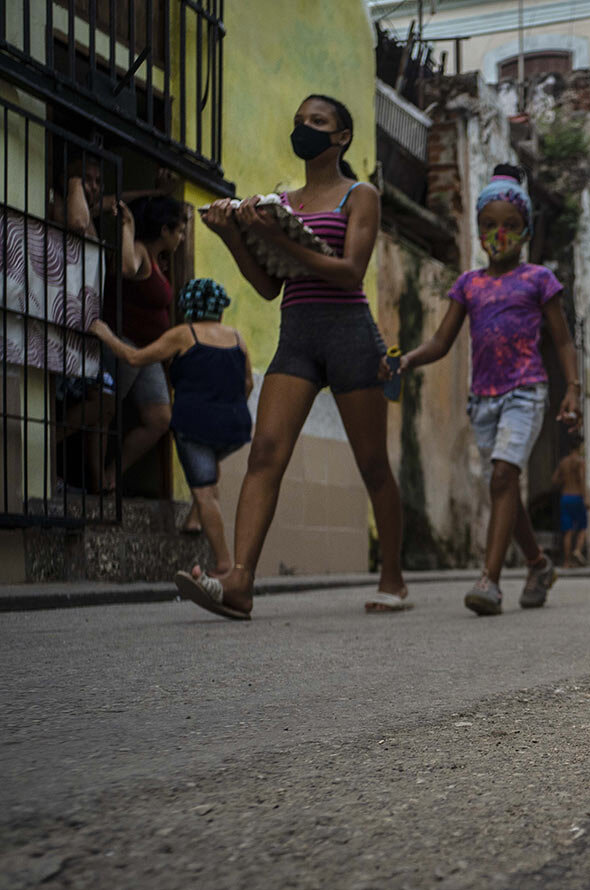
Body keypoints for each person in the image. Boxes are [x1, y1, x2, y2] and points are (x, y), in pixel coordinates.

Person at [180, 93, 407, 619]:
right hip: (297, 336)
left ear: (341, 137)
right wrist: (235, 236)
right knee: (265, 455)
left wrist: (268, 231)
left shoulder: (360, 195)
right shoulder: (283, 201)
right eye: (300, 121)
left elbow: (351, 271)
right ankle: (239, 582)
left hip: (351, 335)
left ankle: (393, 574)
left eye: (318, 122)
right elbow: (266, 286)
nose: (305, 129)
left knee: (372, 464)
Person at [398, 163, 581, 615]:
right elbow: (442, 341)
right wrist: (406, 360)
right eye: (490, 226)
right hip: (483, 398)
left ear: (525, 231)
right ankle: (538, 565)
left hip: (526, 390)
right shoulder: (469, 284)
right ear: (478, 229)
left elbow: (561, 339)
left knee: (502, 477)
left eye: (511, 226)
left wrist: (573, 389)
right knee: (504, 488)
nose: (500, 234)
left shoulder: (539, 279)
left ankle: (490, 581)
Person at [92, 278, 251, 580]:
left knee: (204, 493)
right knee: (208, 468)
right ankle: (194, 519)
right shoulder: (238, 338)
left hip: (195, 424)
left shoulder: (183, 334)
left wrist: (107, 335)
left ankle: (224, 565)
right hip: (234, 426)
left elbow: (135, 358)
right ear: (220, 309)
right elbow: (248, 383)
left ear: (187, 308)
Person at [105, 195, 192, 495]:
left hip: (148, 353)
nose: (182, 237)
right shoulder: (140, 250)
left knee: (159, 420)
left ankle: (110, 476)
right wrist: (127, 225)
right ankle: (90, 475)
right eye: (179, 230)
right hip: (125, 343)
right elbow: (127, 268)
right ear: (164, 230)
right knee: (101, 410)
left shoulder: (157, 261)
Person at [553, 434, 588, 568]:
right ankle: (578, 550)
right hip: (577, 497)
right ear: (580, 446)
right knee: (583, 528)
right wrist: (586, 499)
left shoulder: (564, 462)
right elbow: (581, 481)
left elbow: (555, 480)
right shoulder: (580, 462)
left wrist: (565, 481)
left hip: (565, 497)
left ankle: (567, 562)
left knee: (567, 531)